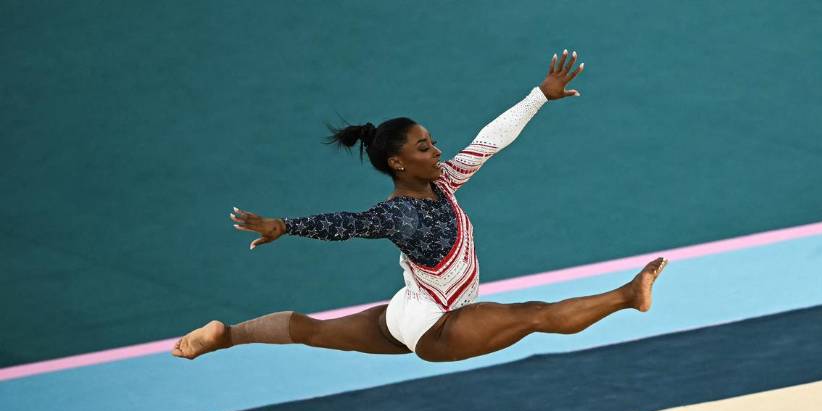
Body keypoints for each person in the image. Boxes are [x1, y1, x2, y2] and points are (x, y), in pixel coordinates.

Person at [172, 49, 668, 363]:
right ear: (398, 163)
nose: (437, 151)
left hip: (405, 312)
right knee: (533, 315)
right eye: (424, 147)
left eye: (431, 142)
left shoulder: (444, 181)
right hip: (439, 326)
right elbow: (349, 224)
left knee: (312, 331)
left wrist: (539, 96)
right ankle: (628, 295)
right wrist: (286, 225)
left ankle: (226, 335)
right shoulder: (400, 214)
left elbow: (489, 141)